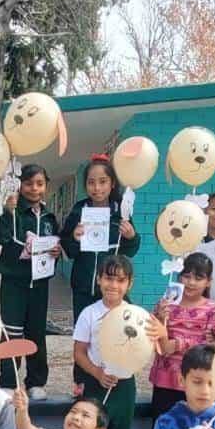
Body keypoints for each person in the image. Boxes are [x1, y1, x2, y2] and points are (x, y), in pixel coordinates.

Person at [139, 252, 215, 429]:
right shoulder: (167, 303)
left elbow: (209, 345)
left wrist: (177, 343)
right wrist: (160, 316)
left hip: (195, 385)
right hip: (165, 379)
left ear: (208, 281)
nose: (191, 282)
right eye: (187, 275)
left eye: (199, 277)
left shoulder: (213, 309)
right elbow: (157, 342)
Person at [61, 156, 141, 394]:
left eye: (103, 182)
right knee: (84, 333)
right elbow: (66, 247)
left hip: (112, 285)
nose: (97, 188)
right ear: (86, 185)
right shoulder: (78, 211)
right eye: (92, 182)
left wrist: (131, 236)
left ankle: (119, 374)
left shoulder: (121, 212)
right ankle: (82, 382)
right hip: (85, 284)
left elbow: (131, 250)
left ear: (112, 184)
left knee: (118, 329)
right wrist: (73, 238)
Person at [71, 254, 140, 429]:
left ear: (129, 284)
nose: (114, 285)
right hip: (96, 384)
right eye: (109, 278)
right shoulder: (90, 313)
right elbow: (79, 352)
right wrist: (97, 373)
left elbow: (144, 346)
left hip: (124, 385)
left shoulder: (134, 315)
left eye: (120, 280)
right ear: (99, 280)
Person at [0, 164, 62, 398]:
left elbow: (55, 245)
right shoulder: (13, 211)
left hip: (40, 284)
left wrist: (55, 252)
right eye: (29, 183)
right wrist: (7, 213)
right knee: (11, 333)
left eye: (39, 184)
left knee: (36, 332)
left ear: (46, 186)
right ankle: (9, 382)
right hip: (13, 283)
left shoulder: (50, 217)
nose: (34, 188)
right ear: (20, 185)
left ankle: (36, 383)